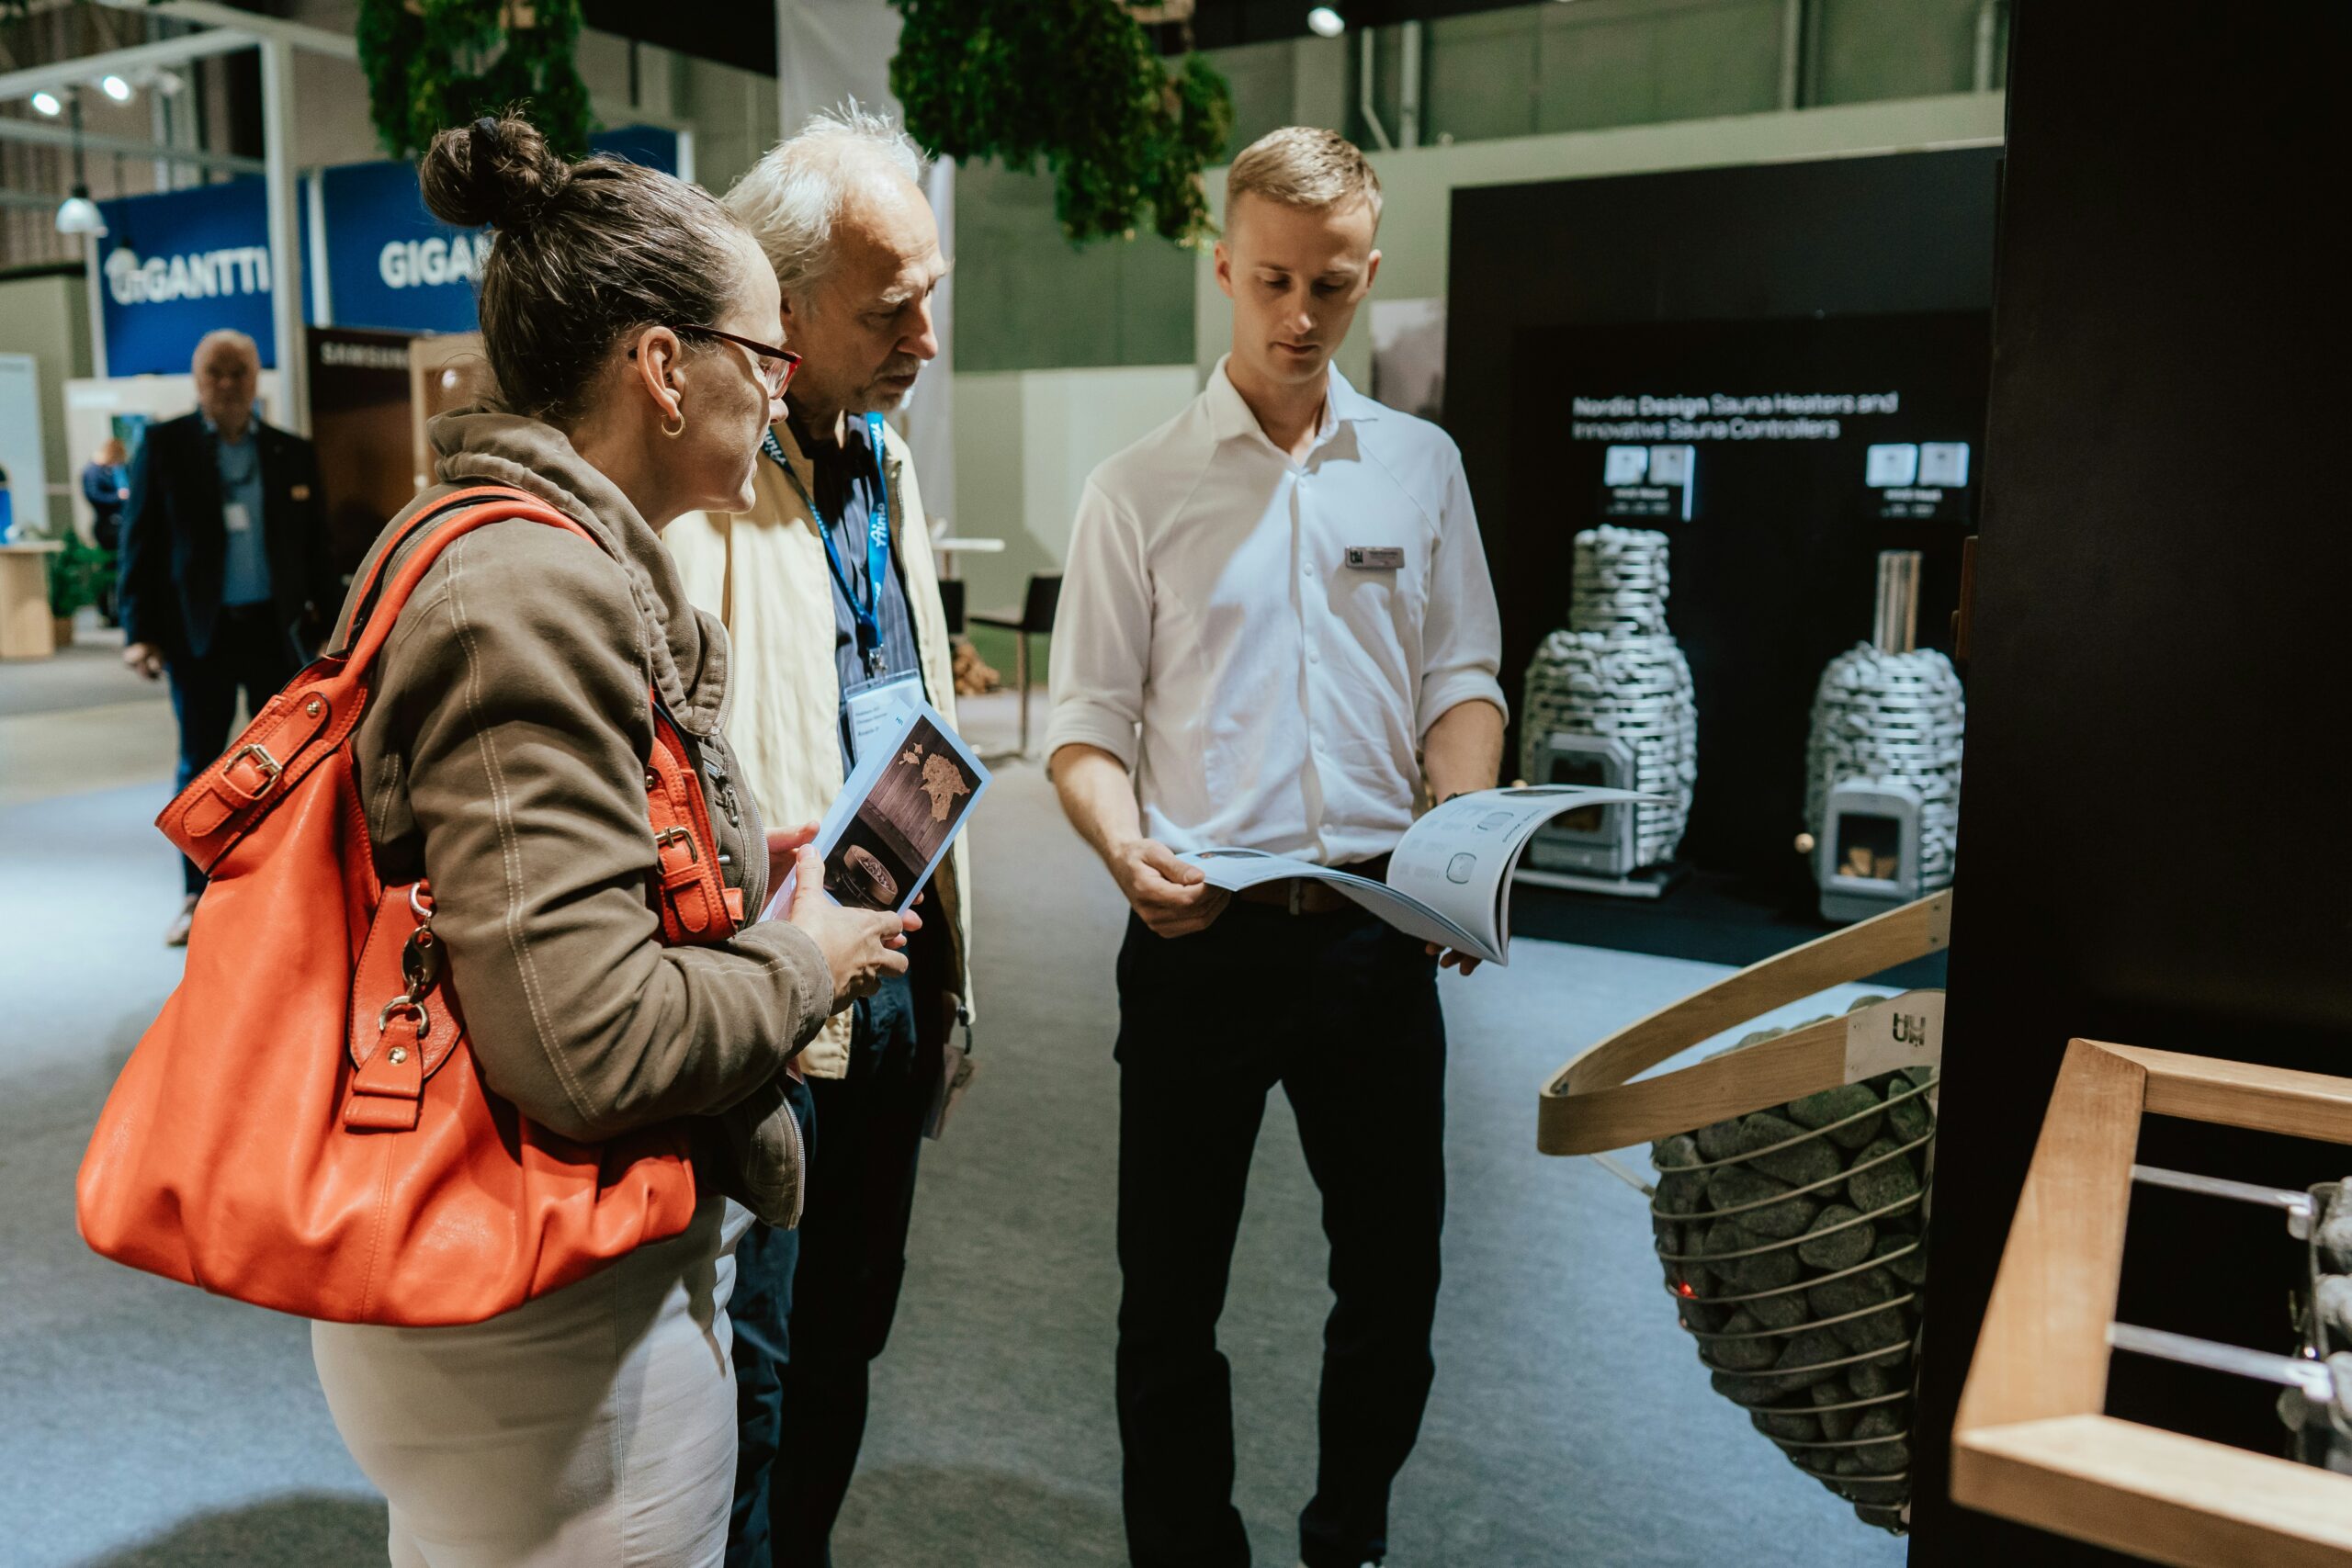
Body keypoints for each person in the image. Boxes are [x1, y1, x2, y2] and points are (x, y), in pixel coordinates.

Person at [301, 113, 916, 1568]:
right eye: (764, 360)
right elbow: (587, 1044)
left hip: (549, 1326)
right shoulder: (531, 589)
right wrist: (804, 953)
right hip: (547, 1341)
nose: (780, 399)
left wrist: (716, 871)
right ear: (661, 364)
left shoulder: (530, 561)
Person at [1046, 127, 1508, 1568]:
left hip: (1377, 933)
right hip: (1196, 934)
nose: (1301, 317)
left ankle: (1346, 1530)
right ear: (1225, 268)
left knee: (1393, 1280)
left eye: (1331, 287)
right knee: (1168, 1294)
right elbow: (1084, 723)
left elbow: (1465, 681)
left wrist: (1460, 834)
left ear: (1369, 275)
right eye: (1271, 283)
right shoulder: (1138, 486)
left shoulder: (1421, 469)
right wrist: (1124, 853)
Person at [662, 107, 971, 1568]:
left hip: (898, 976)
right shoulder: (694, 482)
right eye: (889, 305)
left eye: (931, 289)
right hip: (776, 1007)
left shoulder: (886, 463)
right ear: (781, 313)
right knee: (757, 1371)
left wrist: (952, 982)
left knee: (851, 1336)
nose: (923, 330)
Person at [116, 330, 334, 944]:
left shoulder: (291, 451)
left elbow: (315, 548)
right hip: (198, 635)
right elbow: (140, 545)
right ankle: (195, 895)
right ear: (198, 381)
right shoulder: (164, 446)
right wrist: (140, 632)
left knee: (285, 763)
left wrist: (333, 628)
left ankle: (282, 886)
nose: (229, 383)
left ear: (256, 380)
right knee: (201, 762)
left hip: (275, 632)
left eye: (239, 371)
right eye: (217, 373)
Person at [82, 437, 130, 623]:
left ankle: (118, 610)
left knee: (118, 568)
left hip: (118, 523)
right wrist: (118, 497)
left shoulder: (111, 471)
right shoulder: (92, 472)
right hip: (106, 526)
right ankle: (108, 612)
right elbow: (94, 496)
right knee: (108, 568)